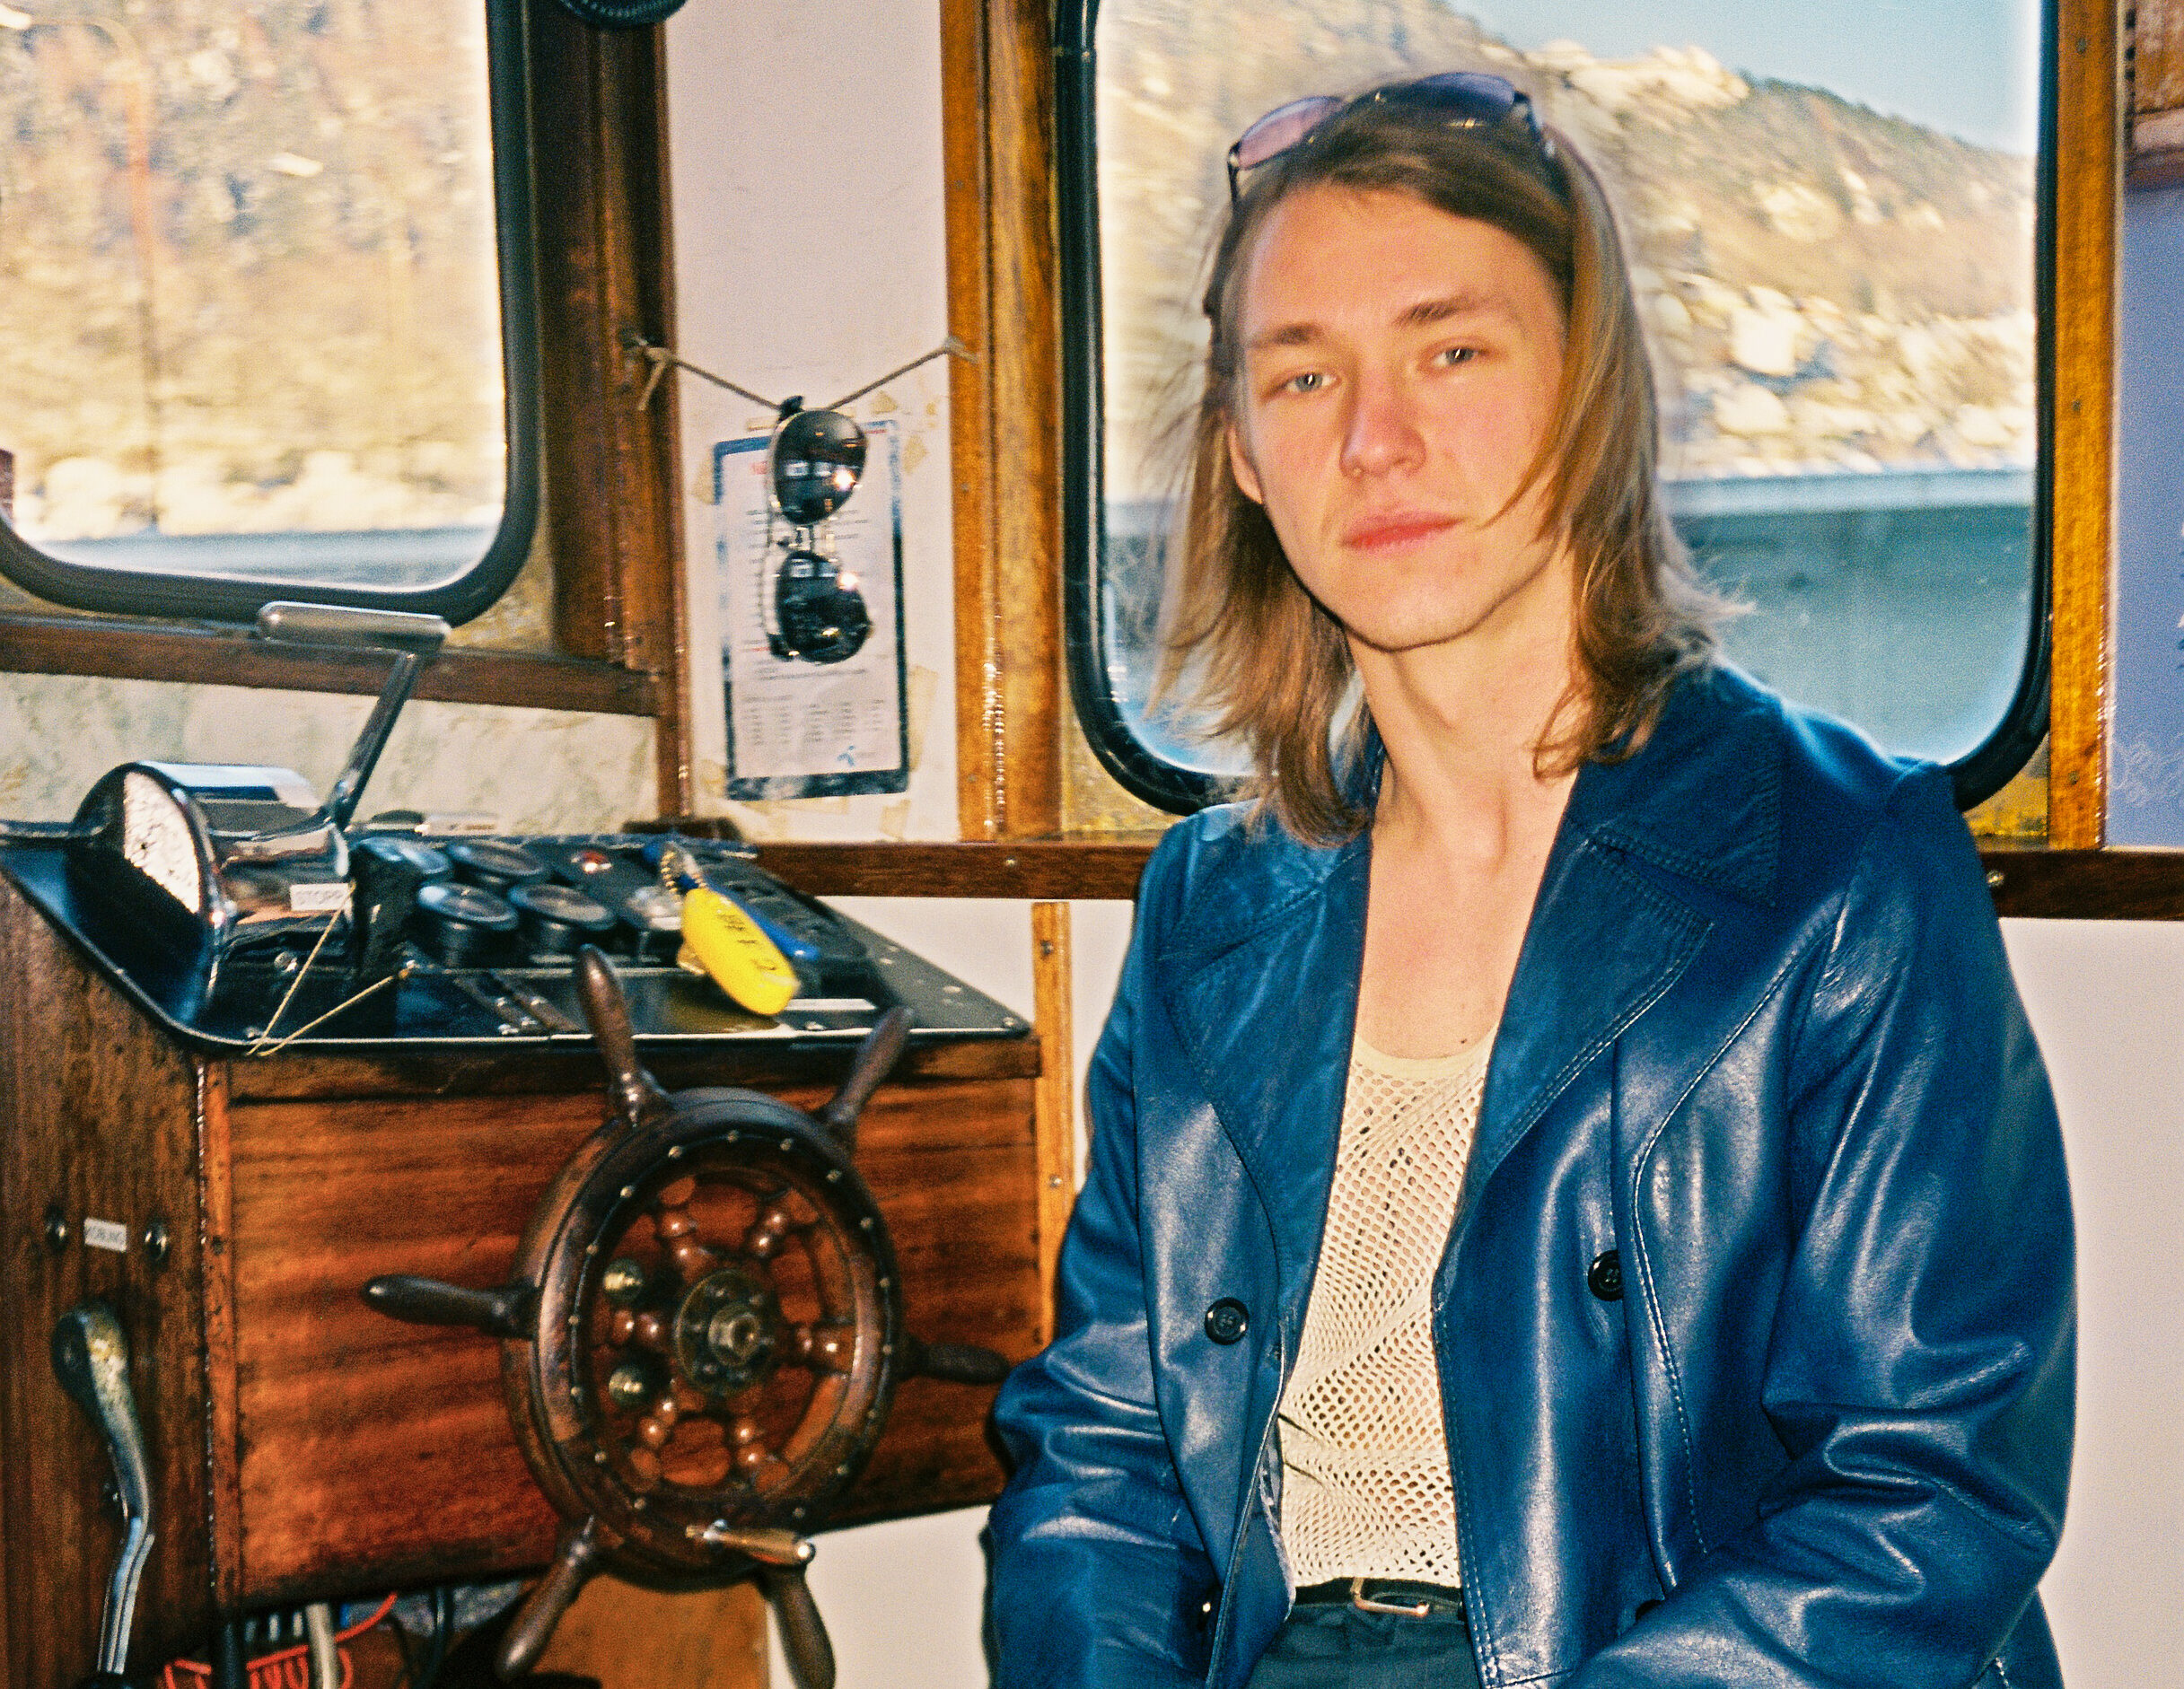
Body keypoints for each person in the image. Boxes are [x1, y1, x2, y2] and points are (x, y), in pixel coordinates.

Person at [985, 73, 2074, 1689]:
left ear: (1585, 392)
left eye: (1451, 351)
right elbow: (1099, 1455)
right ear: (1242, 456)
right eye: (1302, 376)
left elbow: (1926, 1492)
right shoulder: (1210, 907)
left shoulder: (1841, 864)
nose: (1374, 441)